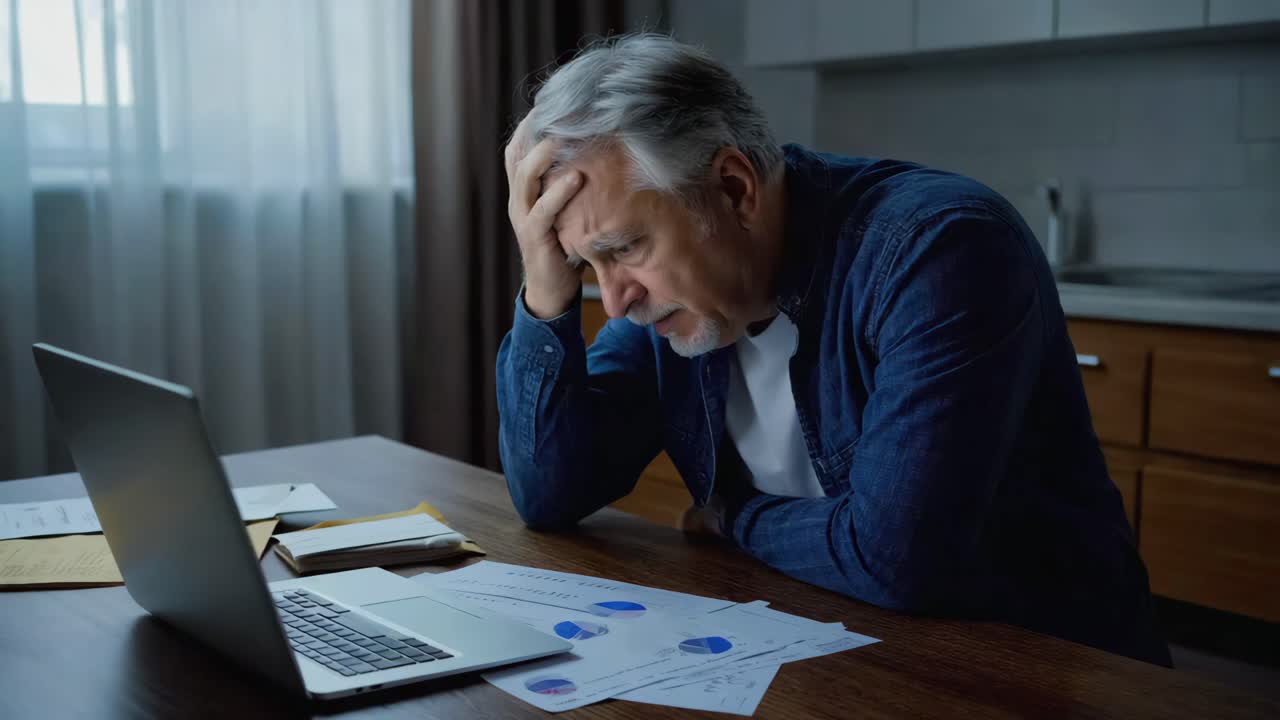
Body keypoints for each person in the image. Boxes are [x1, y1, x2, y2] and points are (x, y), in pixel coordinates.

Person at [495, 34, 1171, 667]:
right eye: (589, 265)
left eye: (624, 250)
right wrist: (545, 289)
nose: (614, 303)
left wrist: (729, 514)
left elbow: (898, 559)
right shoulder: (673, 304)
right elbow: (549, 495)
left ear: (734, 189)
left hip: (1045, 667)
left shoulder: (940, 250)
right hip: (843, 648)